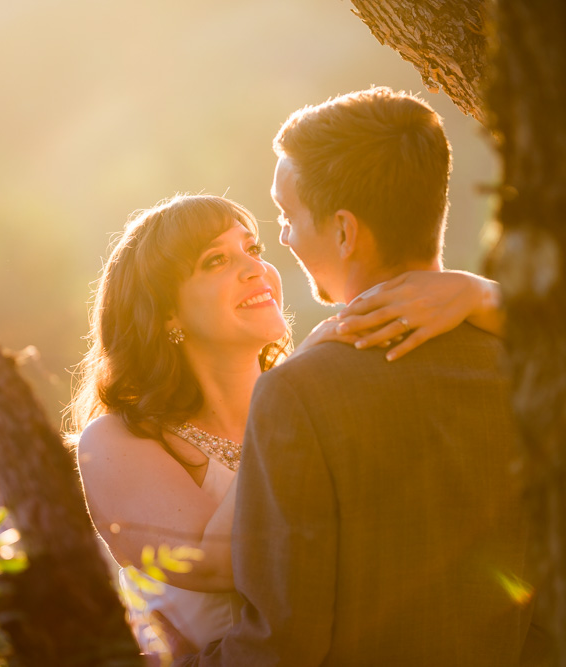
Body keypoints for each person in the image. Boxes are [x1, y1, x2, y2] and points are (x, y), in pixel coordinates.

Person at [171, 87, 538, 665]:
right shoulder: (531, 363)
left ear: (344, 231)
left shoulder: (300, 392)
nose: (285, 237)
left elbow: (283, 642)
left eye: (287, 216)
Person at [69, 193, 504, 656]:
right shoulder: (118, 439)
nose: (255, 268)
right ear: (166, 311)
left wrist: (481, 293)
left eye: (252, 249)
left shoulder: (323, 397)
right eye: (216, 260)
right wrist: (293, 393)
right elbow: (216, 563)